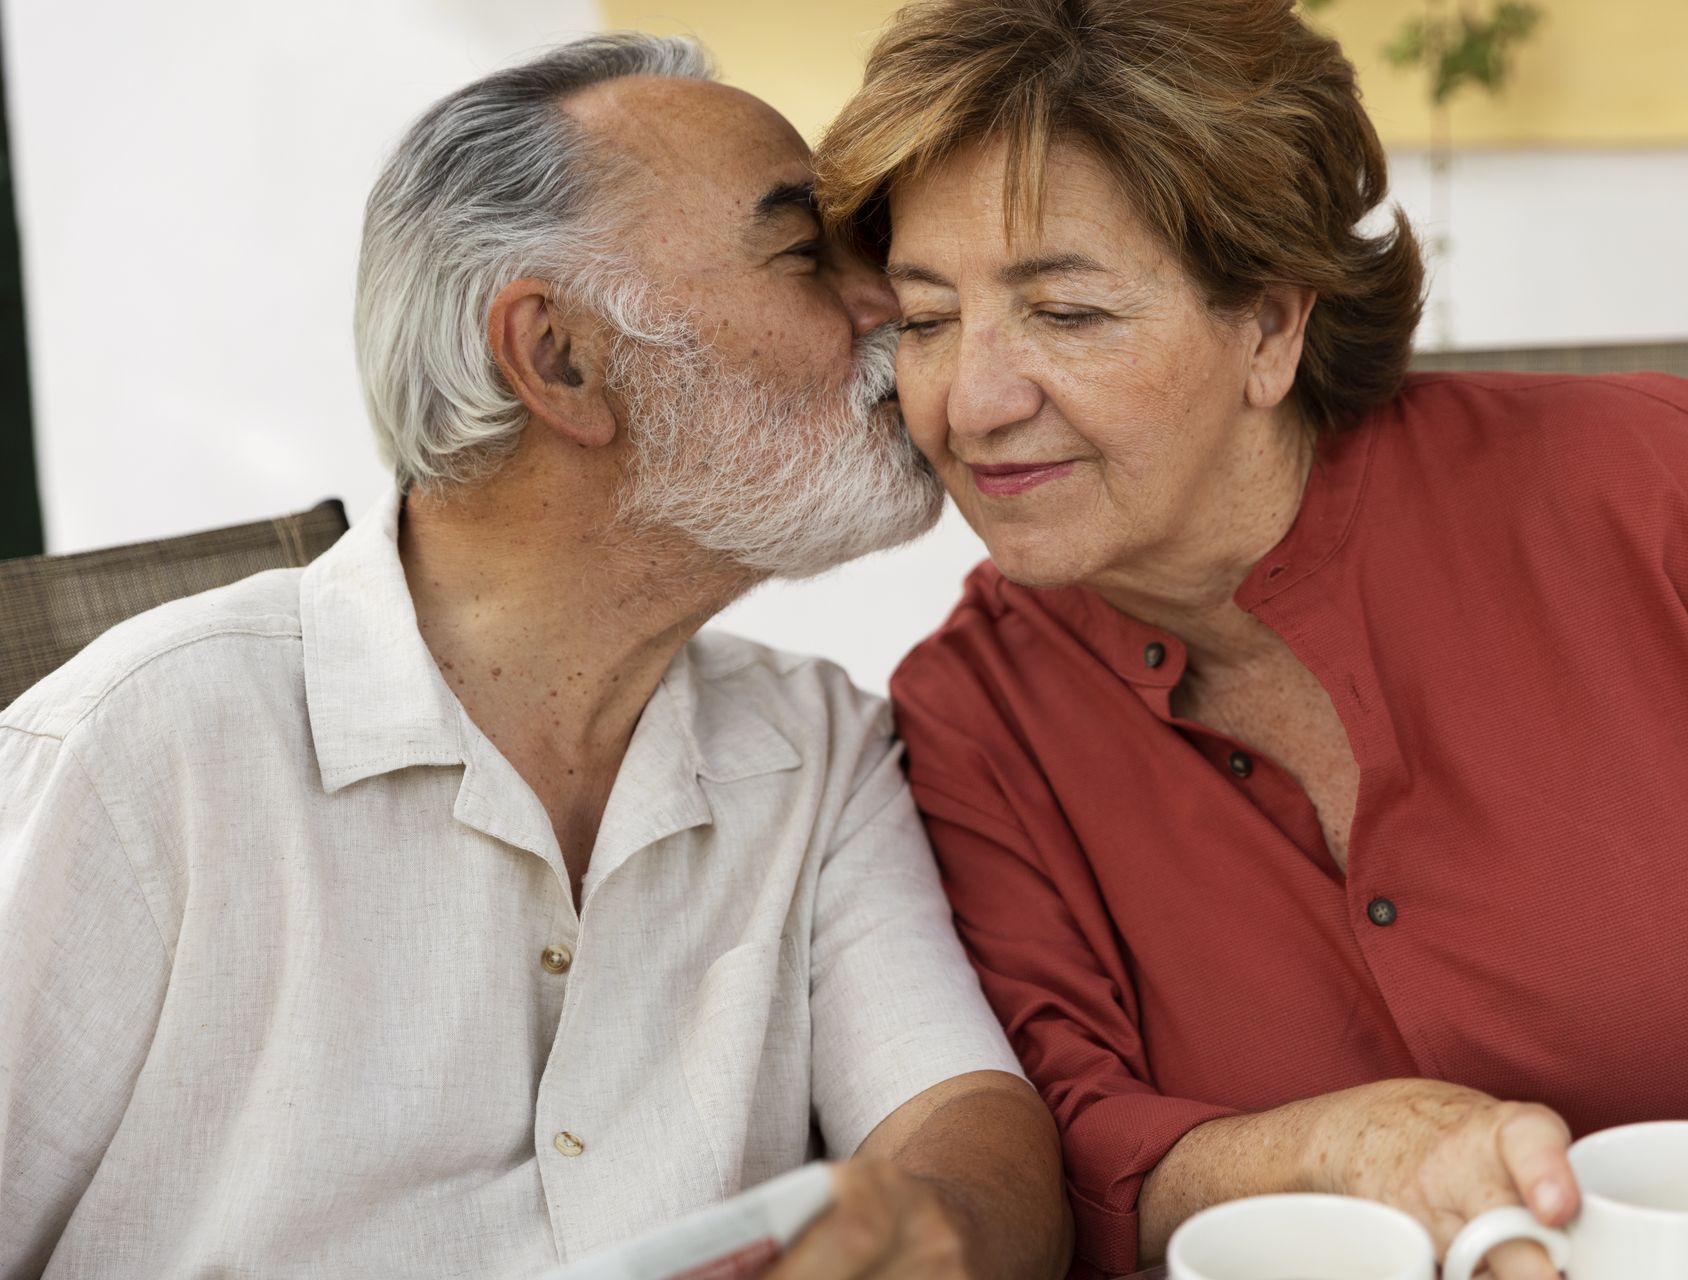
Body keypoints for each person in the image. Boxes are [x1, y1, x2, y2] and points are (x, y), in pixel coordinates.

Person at [812, 1, 1688, 1276]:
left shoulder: (1677, 495)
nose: (974, 401)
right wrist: (1347, 1147)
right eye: (930, 319)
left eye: (1065, 312)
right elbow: (1074, 1148)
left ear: (1273, 325)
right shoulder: (972, 713)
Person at [0, 34, 1071, 1280]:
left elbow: (958, 1112)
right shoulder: (144, 751)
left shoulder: (814, 746)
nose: (894, 301)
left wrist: (929, 1223)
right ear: (559, 356)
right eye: (802, 252)